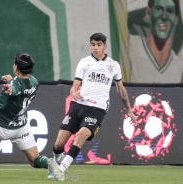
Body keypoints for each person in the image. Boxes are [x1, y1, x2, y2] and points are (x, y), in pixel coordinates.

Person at [47, 33, 137, 181]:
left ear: (105, 46)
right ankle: (57, 161)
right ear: (90, 45)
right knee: (58, 144)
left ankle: (61, 170)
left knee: (81, 136)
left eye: (99, 45)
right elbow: (74, 86)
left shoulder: (114, 66)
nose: (95, 48)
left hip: (97, 109)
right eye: (93, 45)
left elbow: (120, 89)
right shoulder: (84, 62)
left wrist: (129, 110)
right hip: (78, 105)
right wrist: (73, 92)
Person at [127, 0, 183, 83]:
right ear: (148, 13)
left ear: (176, 19)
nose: (164, 16)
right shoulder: (130, 47)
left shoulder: (179, 69)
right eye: (158, 9)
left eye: (170, 11)